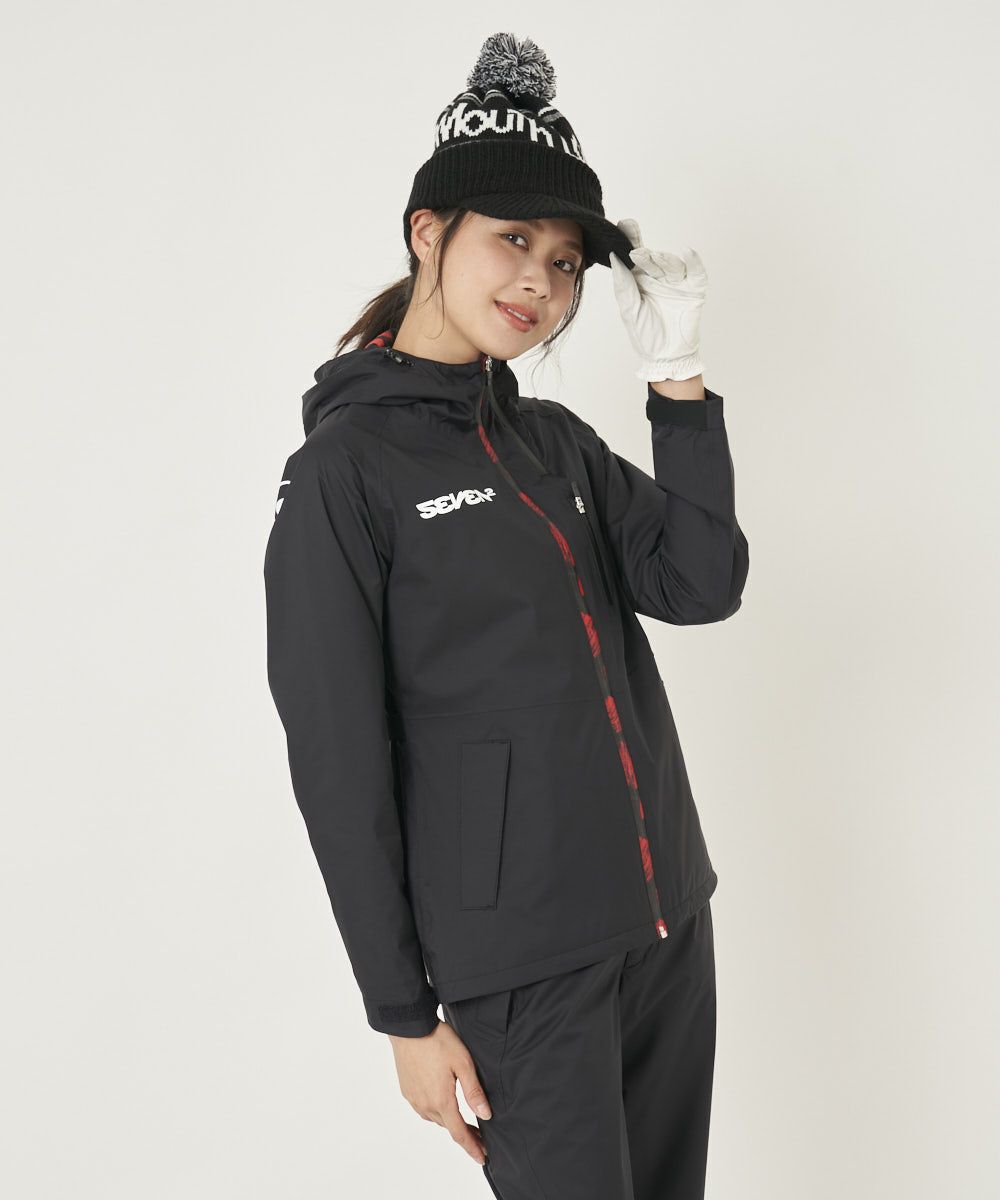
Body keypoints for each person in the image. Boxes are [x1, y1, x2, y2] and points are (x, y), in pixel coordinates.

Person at [264, 30, 749, 1200]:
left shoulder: (554, 446)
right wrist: (400, 1013)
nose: (541, 281)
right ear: (428, 233)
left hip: (666, 927)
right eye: (513, 241)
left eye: (567, 261)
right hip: (525, 970)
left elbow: (700, 584)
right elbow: (336, 757)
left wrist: (677, 381)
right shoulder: (346, 473)